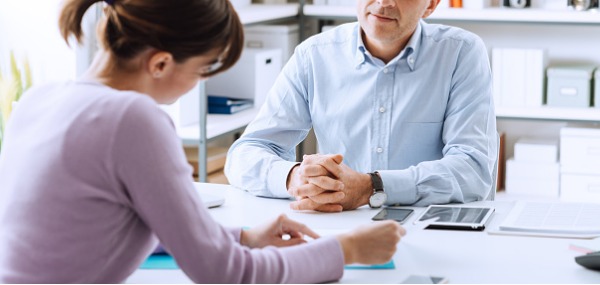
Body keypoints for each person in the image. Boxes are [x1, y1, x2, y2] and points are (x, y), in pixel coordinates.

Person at [0, 0, 406, 283]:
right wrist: (347, 250)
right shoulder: (134, 119)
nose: (204, 81)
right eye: (204, 67)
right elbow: (227, 273)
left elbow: (90, 232)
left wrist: (242, 237)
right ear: (160, 63)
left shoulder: (40, 98)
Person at [225, 0, 498, 212]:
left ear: (431, 5)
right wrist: (295, 178)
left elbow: (473, 170)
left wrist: (372, 187)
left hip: (429, 226)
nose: (384, 2)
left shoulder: (461, 53)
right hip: (338, 223)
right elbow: (245, 153)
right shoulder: (314, 55)